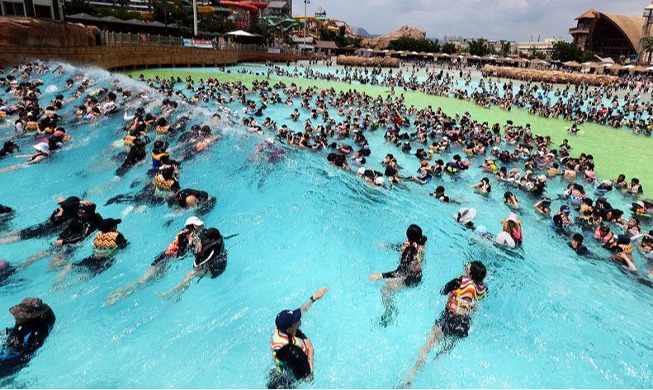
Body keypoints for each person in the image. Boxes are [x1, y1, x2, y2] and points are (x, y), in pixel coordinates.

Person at [402, 261, 487, 387]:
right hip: (463, 326)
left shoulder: (458, 282)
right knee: (446, 349)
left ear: (470, 272)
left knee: (427, 346)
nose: (467, 264)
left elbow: (444, 290)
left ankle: (410, 378)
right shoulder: (482, 290)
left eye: (469, 265)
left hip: (449, 319)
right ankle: (436, 363)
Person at [106, 216, 204, 305]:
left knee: (150, 281)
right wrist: (191, 246)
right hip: (162, 260)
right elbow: (180, 255)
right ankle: (117, 295)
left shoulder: (189, 234)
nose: (202, 226)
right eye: (199, 225)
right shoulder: (185, 235)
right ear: (191, 227)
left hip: (167, 261)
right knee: (143, 280)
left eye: (201, 225)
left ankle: (173, 298)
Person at [268, 287, 328, 389]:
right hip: (285, 383)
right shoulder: (293, 352)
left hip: (277, 371)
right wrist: (310, 352)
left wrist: (313, 298)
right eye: (296, 319)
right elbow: (308, 378)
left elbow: (301, 311)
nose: (299, 318)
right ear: (289, 330)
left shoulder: (279, 330)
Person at [369, 225, 427, 326]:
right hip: (418, 276)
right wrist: (388, 246)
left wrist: (380, 275)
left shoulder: (409, 252)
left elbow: (400, 273)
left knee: (385, 289)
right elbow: (407, 247)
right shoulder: (421, 241)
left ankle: (390, 312)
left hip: (410, 280)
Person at [158, 227, 227, 298]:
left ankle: (171, 293)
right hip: (210, 262)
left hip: (215, 270)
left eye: (205, 239)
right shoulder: (213, 241)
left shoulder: (212, 251)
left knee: (190, 274)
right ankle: (178, 295)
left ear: (212, 240)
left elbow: (197, 264)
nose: (202, 239)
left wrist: (193, 247)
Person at [56, 218, 128, 284]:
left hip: (93, 257)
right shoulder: (117, 236)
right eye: (115, 225)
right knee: (91, 275)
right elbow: (123, 246)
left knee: (71, 265)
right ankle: (72, 284)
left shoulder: (98, 234)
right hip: (104, 260)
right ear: (112, 227)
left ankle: (58, 281)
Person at [0, 196, 93, 244]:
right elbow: (56, 220)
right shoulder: (61, 213)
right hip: (43, 230)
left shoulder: (68, 214)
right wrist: (77, 202)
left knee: (20, 235)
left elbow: (69, 206)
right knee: (19, 235)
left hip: (43, 229)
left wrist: (76, 203)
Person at [1, 298, 55, 377]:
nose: (15, 316)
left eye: (21, 314)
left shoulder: (38, 332)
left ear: (30, 316)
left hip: (15, 360)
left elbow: (26, 355)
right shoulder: (24, 324)